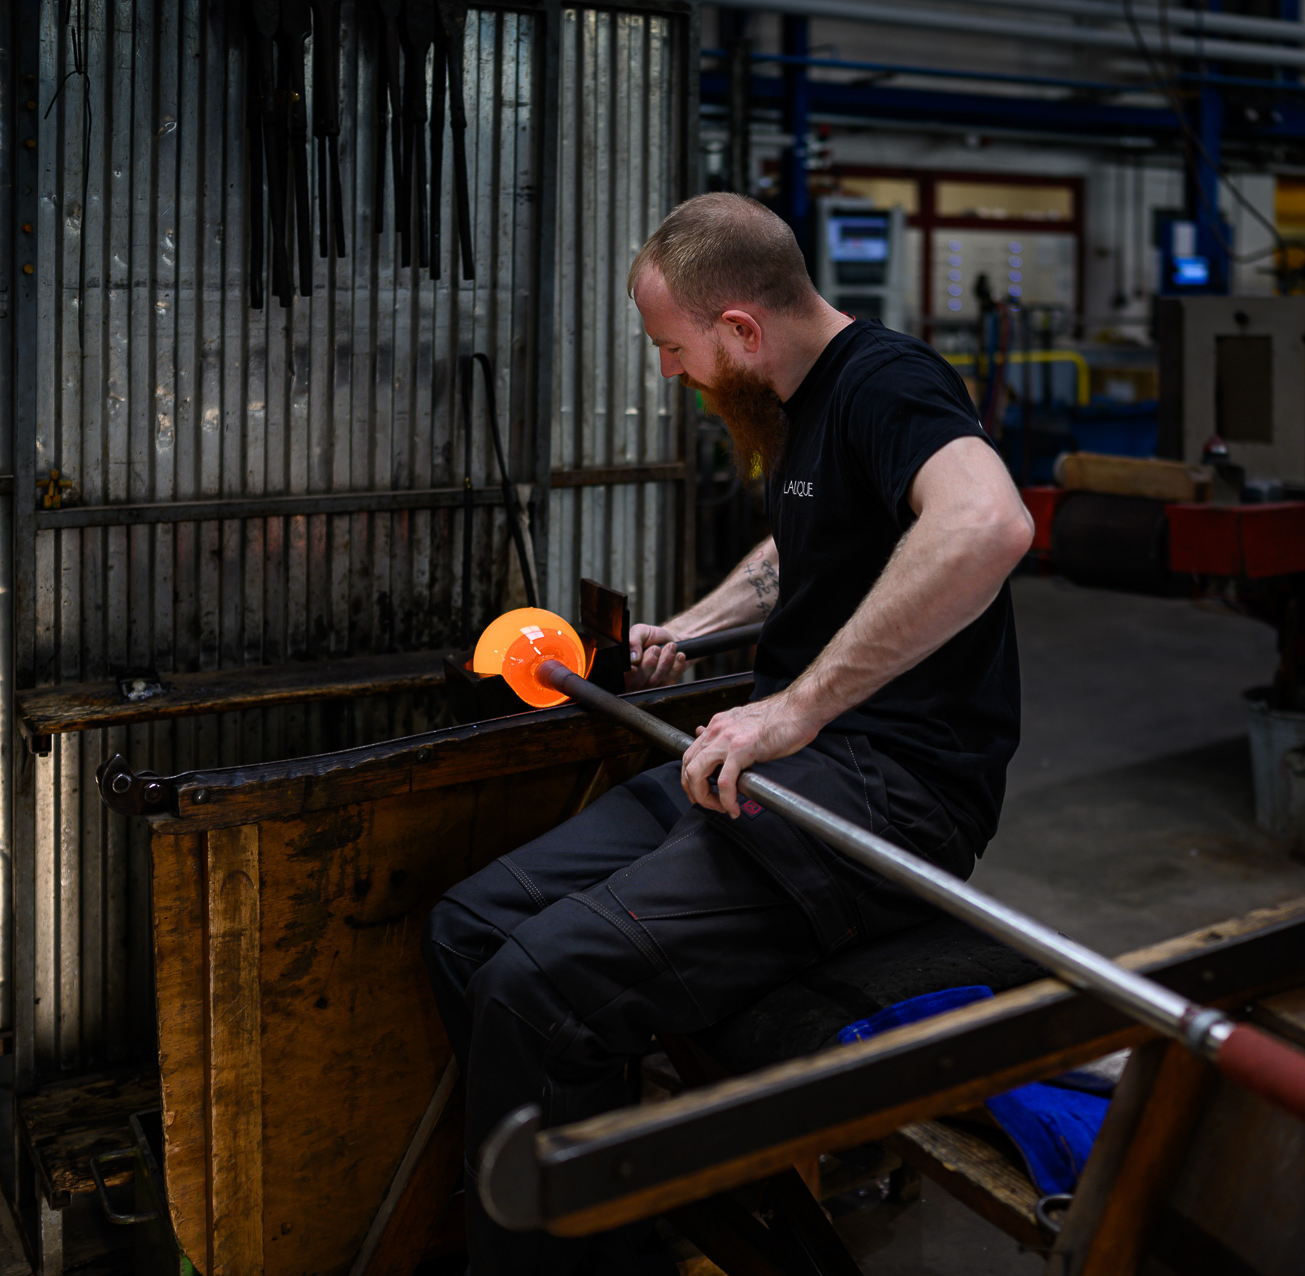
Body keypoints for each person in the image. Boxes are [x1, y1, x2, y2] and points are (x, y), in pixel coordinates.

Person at [422, 192, 1034, 1274]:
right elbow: (808, 555)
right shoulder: (805, 407)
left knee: (539, 989)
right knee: (471, 931)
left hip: (886, 798)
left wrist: (794, 704)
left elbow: (987, 524)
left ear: (742, 331)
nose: (670, 373)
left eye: (674, 348)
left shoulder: (889, 384)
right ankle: (599, 1230)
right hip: (781, 764)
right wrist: (694, 630)